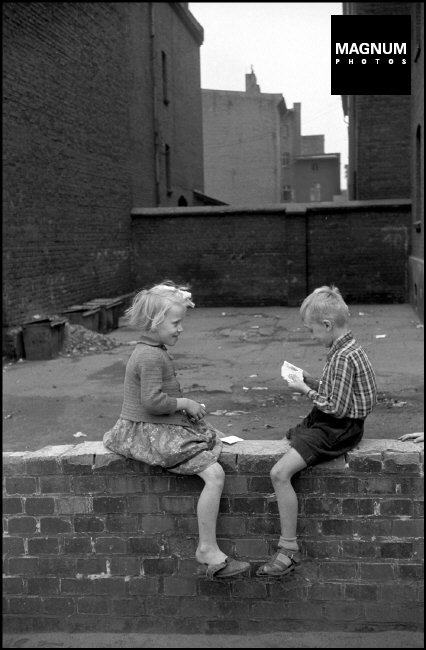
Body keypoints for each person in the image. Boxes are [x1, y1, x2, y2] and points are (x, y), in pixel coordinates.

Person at [103, 280, 250, 579]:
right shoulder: (149, 356)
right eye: (176, 322)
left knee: (209, 439)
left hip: (155, 425)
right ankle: (207, 549)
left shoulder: (152, 349)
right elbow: (152, 402)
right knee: (215, 474)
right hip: (147, 431)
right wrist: (184, 402)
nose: (181, 328)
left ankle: (209, 548)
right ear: (155, 322)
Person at [257, 285, 377, 577]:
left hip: (338, 427)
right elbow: (342, 392)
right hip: (333, 421)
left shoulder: (343, 358)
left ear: (326, 325)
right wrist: (310, 380)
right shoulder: (348, 349)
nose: (312, 336)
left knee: (279, 473)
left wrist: (305, 390)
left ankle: (288, 548)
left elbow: (336, 407)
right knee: (290, 436)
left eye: (312, 330)